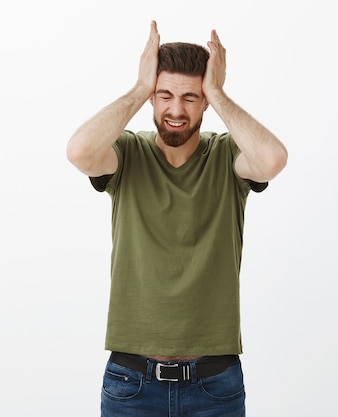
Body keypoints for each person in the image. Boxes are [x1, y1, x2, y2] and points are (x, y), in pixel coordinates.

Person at [66, 21, 288, 417]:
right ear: (152, 98)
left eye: (191, 97)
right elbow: (79, 150)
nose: (175, 110)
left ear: (204, 102)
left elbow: (272, 160)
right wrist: (138, 88)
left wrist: (218, 92)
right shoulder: (127, 153)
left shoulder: (227, 157)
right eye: (164, 95)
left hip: (215, 383)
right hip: (131, 382)